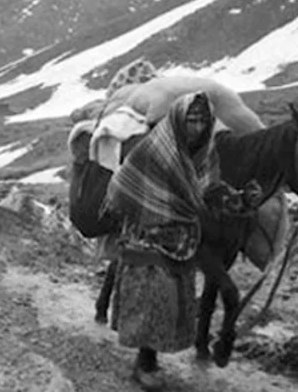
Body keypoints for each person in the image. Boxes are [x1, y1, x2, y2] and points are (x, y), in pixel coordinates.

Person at [103, 91, 220, 391]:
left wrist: (237, 200)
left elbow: (207, 192)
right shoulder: (153, 150)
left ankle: (149, 359)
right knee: (154, 299)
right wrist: (147, 209)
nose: (197, 128)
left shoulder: (206, 154)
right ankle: (145, 362)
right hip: (148, 238)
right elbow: (122, 184)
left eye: (203, 121)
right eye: (191, 120)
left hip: (182, 240)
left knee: (171, 304)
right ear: (179, 120)